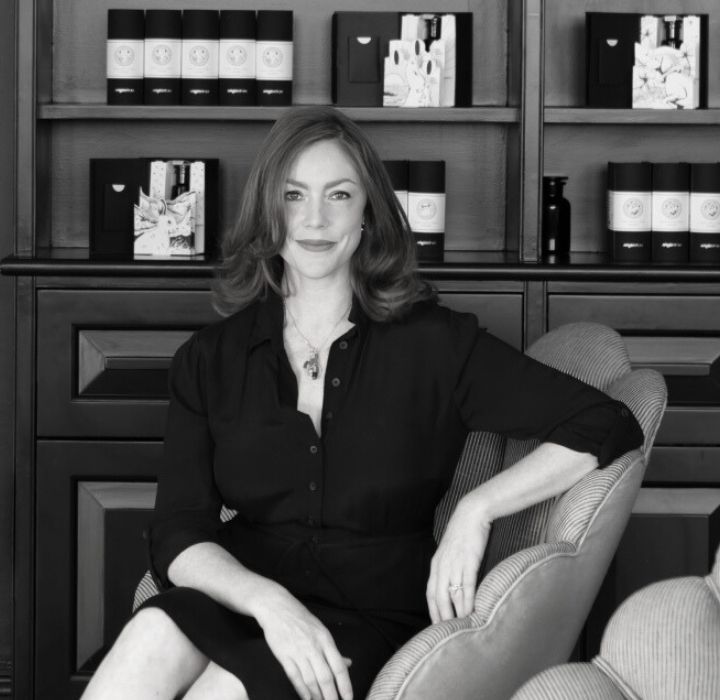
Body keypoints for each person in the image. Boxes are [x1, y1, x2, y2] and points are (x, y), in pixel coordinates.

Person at [81, 106, 644, 700]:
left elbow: (605, 423)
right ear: (268, 211)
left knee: (224, 688)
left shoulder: (436, 343)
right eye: (294, 195)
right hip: (247, 591)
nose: (315, 219)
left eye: (339, 195)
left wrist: (476, 510)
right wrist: (271, 605)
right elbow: (177, 530)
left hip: (371, 612)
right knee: (149, 635)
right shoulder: (210, 358)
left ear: (368, 213)